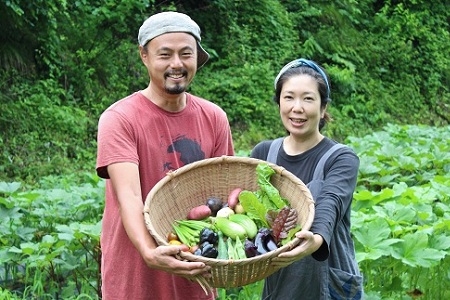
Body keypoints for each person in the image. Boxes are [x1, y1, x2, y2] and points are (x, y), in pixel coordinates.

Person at [95, 11, 234, 300]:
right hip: (135, 277)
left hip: (195, 273)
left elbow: (220, 201)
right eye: (165, 54)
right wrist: (148, 252)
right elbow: (130, 196)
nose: (177, 64)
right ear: (144, 56)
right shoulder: (120, 118)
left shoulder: (214, 118)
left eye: (186, 54)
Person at [250, 58, 363, 299]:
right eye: (289, 97)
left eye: (308, 98)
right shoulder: (263, 154)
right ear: (279, 102)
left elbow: (329, 203)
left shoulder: (341, 158)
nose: (297, 107)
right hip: (280, 282)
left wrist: (316, 238)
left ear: (323, 109)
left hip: (328, 280)